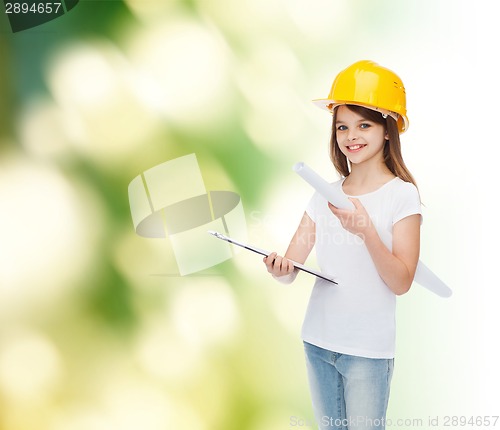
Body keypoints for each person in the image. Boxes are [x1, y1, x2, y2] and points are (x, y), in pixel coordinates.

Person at [263, 60, 421, 430]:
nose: (352, 135)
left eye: (364, 124)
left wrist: (366, 231)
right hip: (318, 341)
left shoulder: (402, 196)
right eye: (342, 127)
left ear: (388, 128)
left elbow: (401, 281)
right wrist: (278, 268)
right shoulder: (325, 194)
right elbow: (292, 266)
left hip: (367, 353)